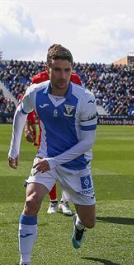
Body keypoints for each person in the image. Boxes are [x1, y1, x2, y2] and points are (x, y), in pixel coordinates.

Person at [7, 44, 98, 265]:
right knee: (31, 200)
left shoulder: (85, 99)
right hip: (45, 158)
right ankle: (24, 263)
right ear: (48, 68)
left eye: (67, 70)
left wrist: (55, 161)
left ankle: (78, 225)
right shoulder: (36, 93)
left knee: (90, 222)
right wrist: (13, 150)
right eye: (57, 69)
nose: (62, 76)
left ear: (72, 70)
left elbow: (87, 142)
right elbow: (20, 112)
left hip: (76, 165)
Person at [29, 49, 83, 216]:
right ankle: (52, 202)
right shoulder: (37, 80)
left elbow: (80, 102)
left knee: (69, 166)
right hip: (47, 130)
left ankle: (64, 202)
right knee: (46, 164)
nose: (62, 73)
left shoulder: (74, 79)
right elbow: (27, 105)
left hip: (68, 131)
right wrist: (29, 127)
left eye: (65, 69)